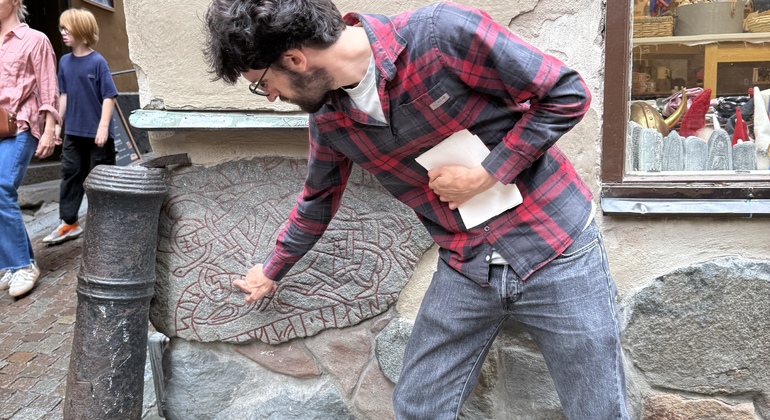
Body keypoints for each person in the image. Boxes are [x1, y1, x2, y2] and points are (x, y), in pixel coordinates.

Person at [203, 1, 630, 418]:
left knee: (598, 409)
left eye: (261, 83)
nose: (271, 97)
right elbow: (319, 198)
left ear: (294, 59)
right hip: (468, 264)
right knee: (419, 405)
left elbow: (565, 93)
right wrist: (272, 269)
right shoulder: (330, 119)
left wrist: (488, 173)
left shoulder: (442, 34)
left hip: (557, 247)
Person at [0, 0, 60, 297]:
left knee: (1, 186)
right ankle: (12, 265)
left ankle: (22, 264)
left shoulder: (35, 39)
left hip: (22, 124)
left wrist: (49, 131)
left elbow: (49, 89)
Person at [43, 8, 118, 245]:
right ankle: (69, 223)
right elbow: (63, 95)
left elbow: (109, 96)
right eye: (61, 28)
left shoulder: (98, 62)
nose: (62, 32)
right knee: (70, 175)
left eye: (67, 28)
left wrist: (103, 127)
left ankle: (106, 223)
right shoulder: (65, 62)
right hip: (73, 133)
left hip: (98, 136)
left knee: (100, 179)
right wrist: (57, 124)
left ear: (82, 30)